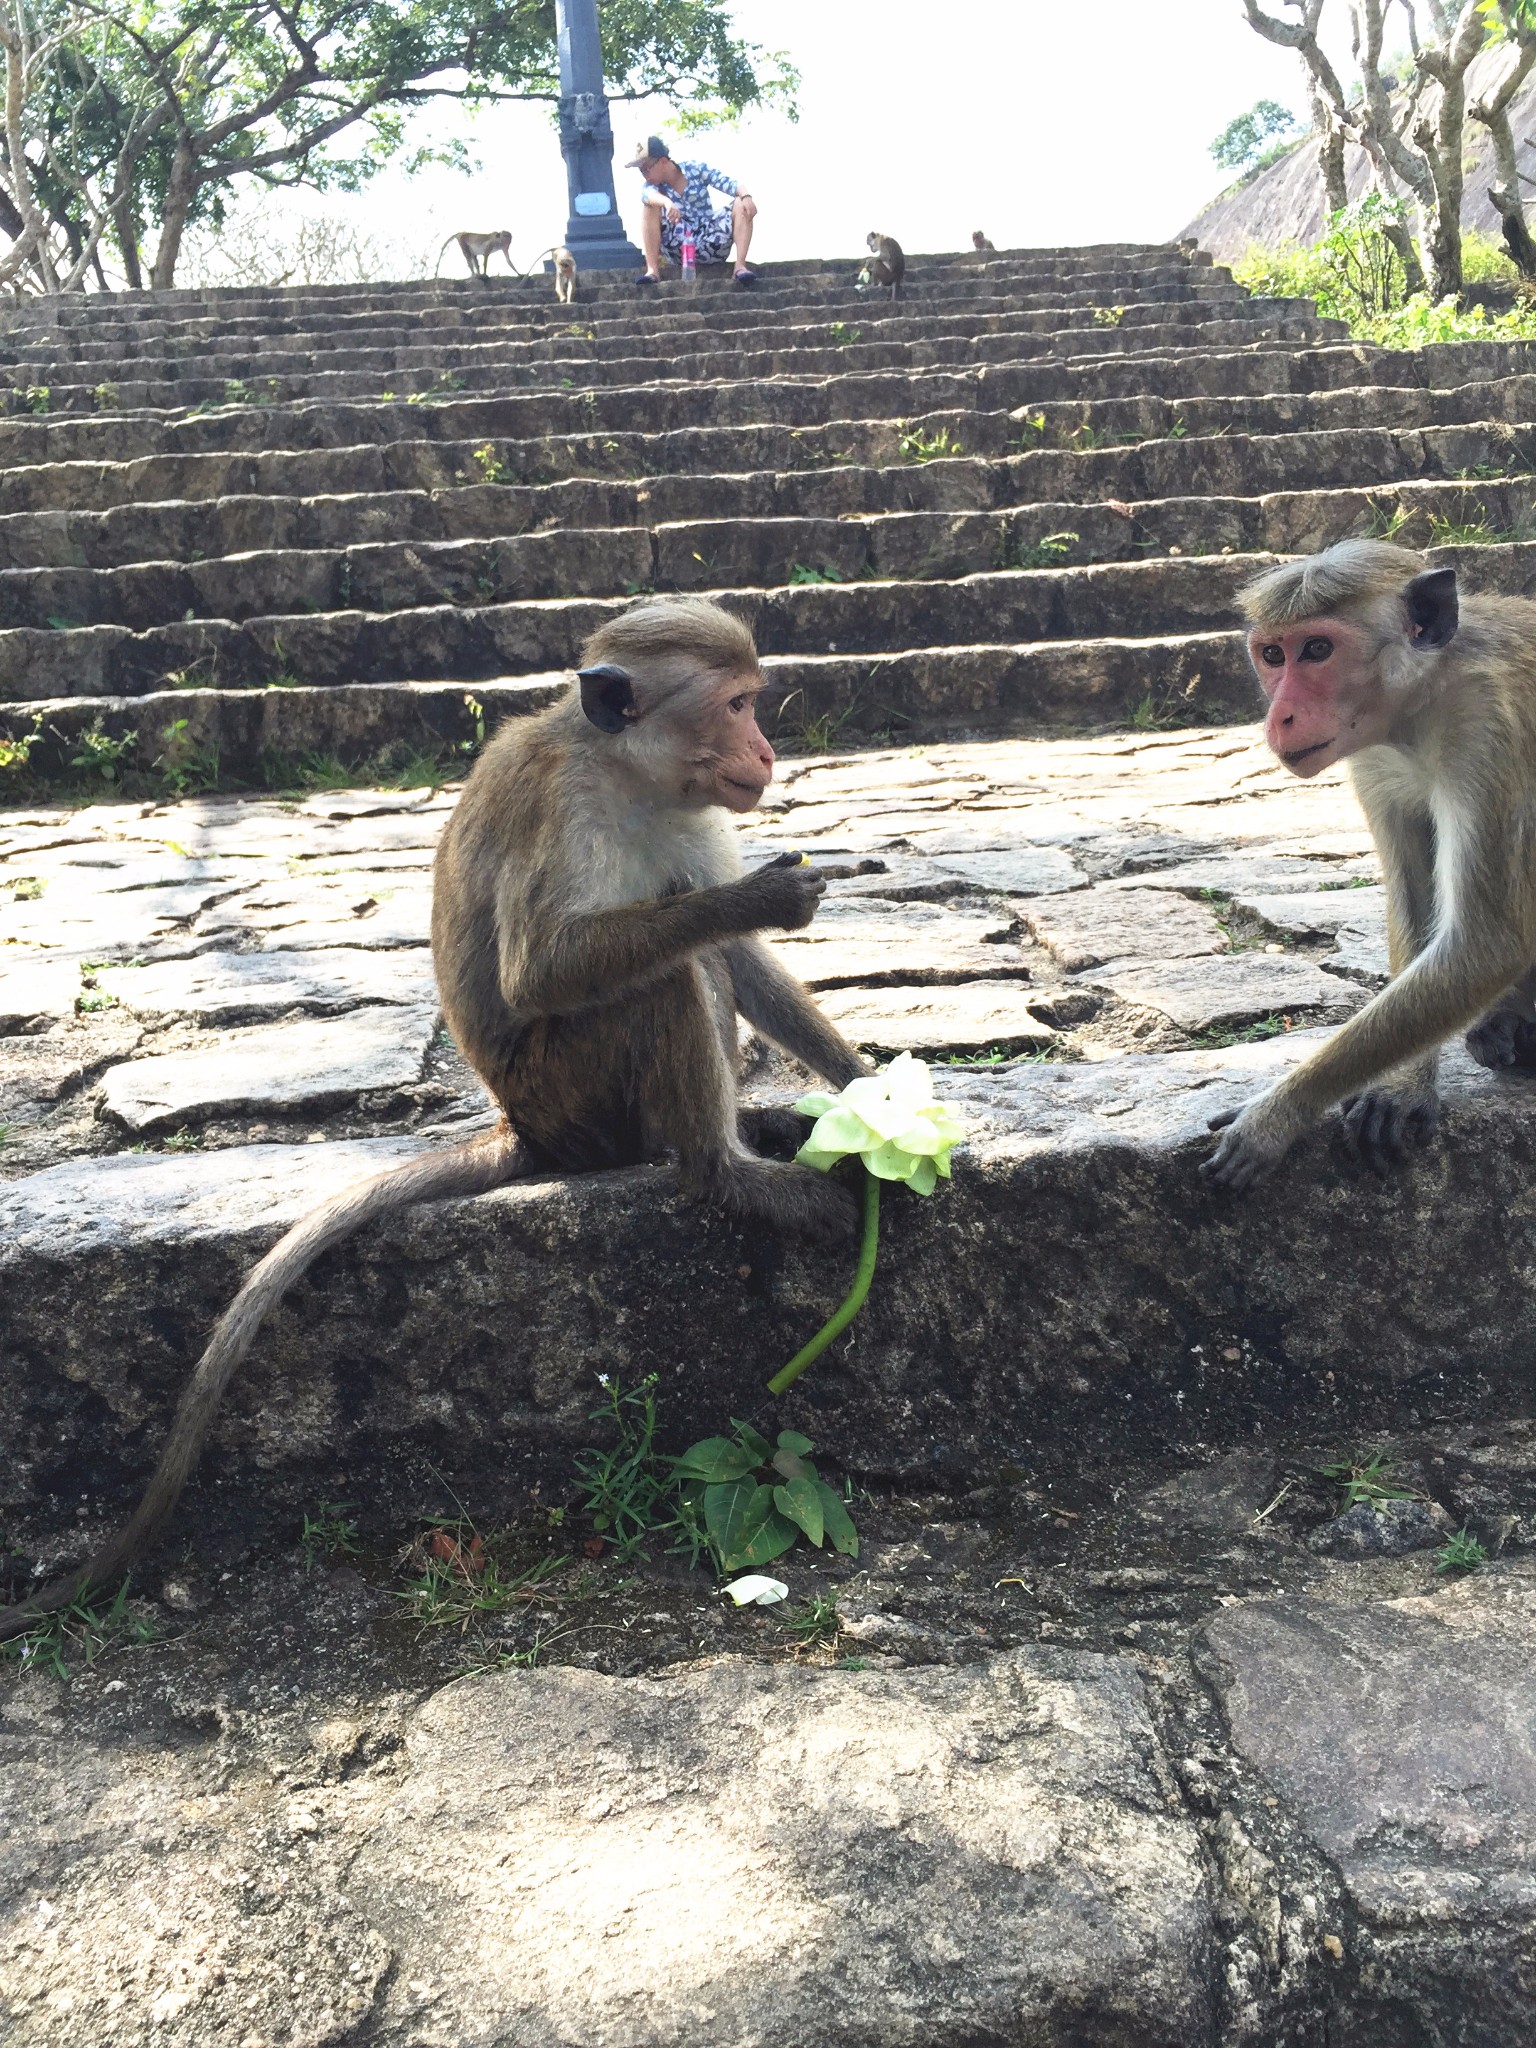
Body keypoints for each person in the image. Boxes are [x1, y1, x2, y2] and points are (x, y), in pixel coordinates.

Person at [624, 134, 758, 289]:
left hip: (710, 240)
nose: (645, 175)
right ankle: (652, 270)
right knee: (649, 207)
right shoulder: (652, 187)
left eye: (646, 169)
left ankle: (740, 266)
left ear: (663, 161)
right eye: (641, 171)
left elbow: (728, 183)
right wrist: (667, 202)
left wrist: (746, 195)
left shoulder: (695, 169)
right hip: (679, 248)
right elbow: (647, 196)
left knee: (740, 202)